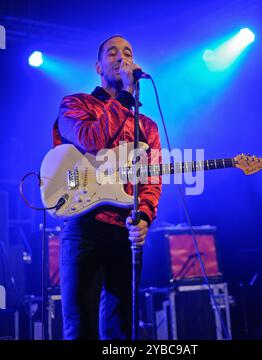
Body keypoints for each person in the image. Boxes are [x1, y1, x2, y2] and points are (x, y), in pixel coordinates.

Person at [52, 35, 162, 340]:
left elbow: (151, 179)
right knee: (80, 326)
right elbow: (92, 140)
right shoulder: (75, 104)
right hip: (84, 225)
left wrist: (145, 217)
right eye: (112, 53)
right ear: (98, 66)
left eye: (128, 52)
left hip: (125, 228)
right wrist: (125, 96)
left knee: (121, 327)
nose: (121, 57)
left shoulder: (147, 126)